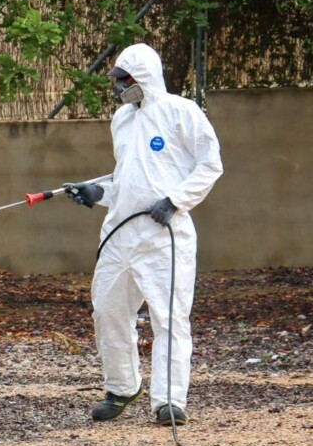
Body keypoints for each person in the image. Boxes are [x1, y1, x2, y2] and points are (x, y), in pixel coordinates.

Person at [63, 43, 223, 425]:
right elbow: (127, 179)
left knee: (168, 317)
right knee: (108, 310)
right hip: (120, 235)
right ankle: (122, 387)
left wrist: (175, 200)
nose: (118, 88)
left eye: (124, 80)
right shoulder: (122, 119)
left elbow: (210, 165)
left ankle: (168, 401)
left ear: (144, 78)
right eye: (117, 81)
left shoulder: (181, 113)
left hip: (164, 235)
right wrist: (97, 192)